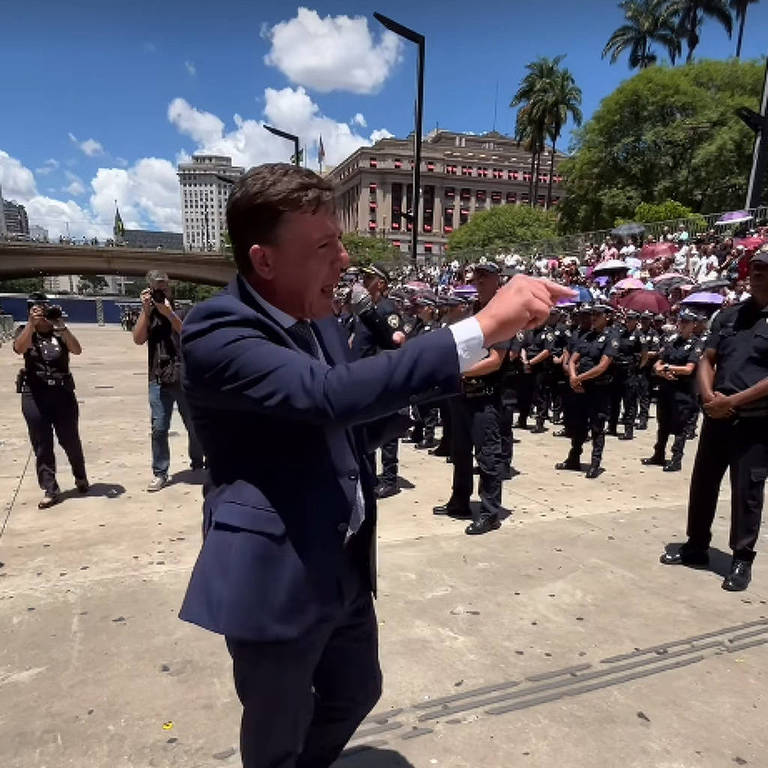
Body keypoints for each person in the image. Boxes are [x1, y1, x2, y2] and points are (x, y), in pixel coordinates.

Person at [176, 163, 573, 768]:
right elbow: (326, 397)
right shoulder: (219, 330)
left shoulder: (323, 323)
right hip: (277, 573)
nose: (344, 260)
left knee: (357, 692)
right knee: (275, 733)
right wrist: (482, 325)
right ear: (264, 261)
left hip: (343, 560)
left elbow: (355, 409)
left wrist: (442, 377)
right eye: (325, 246)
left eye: (341, 241)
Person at [661, 248, 768, 592]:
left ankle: (742, 558)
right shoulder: (729, 316)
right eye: (754, 269)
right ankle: (696, 545)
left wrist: (733, 401)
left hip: (754, 421)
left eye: (765, 270)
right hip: (717, 415)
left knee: (747, 490)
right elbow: (708, 359)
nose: (757, 274)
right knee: (704, 481)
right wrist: (708, 397)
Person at [12, 293, 88, 508]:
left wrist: (61, 326)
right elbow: (19, 348)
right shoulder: (24, 332)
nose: (42, 315)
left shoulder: (58, 331)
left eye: (44, 309)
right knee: (42, 443)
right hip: (34, 394)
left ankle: (80, 476)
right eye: (37, 310)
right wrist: (30, 324)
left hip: (62, 393)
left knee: (70, 439)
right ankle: (50, 488)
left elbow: (77, 349)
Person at [132, 270, 205, 491]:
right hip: (157, 377)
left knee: (193, 425)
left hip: (183, 376)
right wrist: (147, 310)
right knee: (159, 427)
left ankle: (197, 461)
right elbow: (138, 339)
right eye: (156, 289)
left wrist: (169, 313)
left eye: (164, 288)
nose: (161, 292)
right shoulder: (149, 314)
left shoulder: (183, 310)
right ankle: (160, 472)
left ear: (170, 288)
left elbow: (188, 333)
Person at [351, 263, 405, 499]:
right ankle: (370, 476)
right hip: (362, 376)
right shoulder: (365, 308)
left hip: (379, 378)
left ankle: (390, 479)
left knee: (386, 431)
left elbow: (394, 344)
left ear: (381, 284)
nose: (364, 280)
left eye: (369, 278)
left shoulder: (385, 309)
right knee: (367, 430)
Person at [557, 304, 619, 479]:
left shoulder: (611, 338)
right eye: (592, 314)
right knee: (578, 424)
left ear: (607, 317)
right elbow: (572, 359)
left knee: (597, 426)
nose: (593, 317)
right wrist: (573, 377)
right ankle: (573, 458)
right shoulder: (587, 336)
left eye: (597, 314)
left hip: (598, 388)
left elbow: (602, 366)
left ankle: (595, 463)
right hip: (581, 387)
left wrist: (579, 378)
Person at [641, 310, 702, 472]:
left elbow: (689, 369)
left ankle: (676, 459)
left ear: (693, 325)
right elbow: (657, 364)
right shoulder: (672, 342)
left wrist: (667, 368)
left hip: (683, 392)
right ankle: (658, 454)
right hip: (667, 389)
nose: (682, 325)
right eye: (681, 322)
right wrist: (662, 371)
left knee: (680, 427)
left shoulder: (696, 344)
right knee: (663, 424)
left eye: (686, 323)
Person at [608, 309, 645, 440]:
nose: (628, 321)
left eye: (631, 319)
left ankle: (628, 430)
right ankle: (612, 427)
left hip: (630, 372)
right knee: (614, 401)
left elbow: (644, 355)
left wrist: (637, 367)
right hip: (618, 371)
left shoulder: (639, 335)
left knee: (629, 403)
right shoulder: (621, 333)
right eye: (627, 319)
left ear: (636, 321)